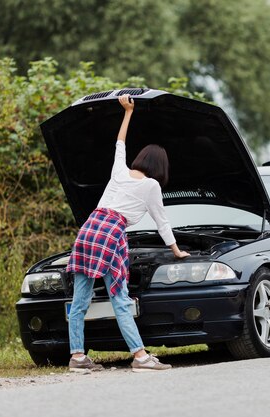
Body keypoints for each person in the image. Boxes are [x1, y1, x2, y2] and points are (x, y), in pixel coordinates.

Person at [67, 94, 190, 372]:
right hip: (110, 234)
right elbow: (162, 222)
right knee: (120, 298)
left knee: (80, 299)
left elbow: (119, 143)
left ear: (141, 158)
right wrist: (176, 250)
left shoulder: (119, 171)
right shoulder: (151, 186)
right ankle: (140, 356)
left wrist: (127, 112)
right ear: (161, 167)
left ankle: (77, 357)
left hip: (88, 229)